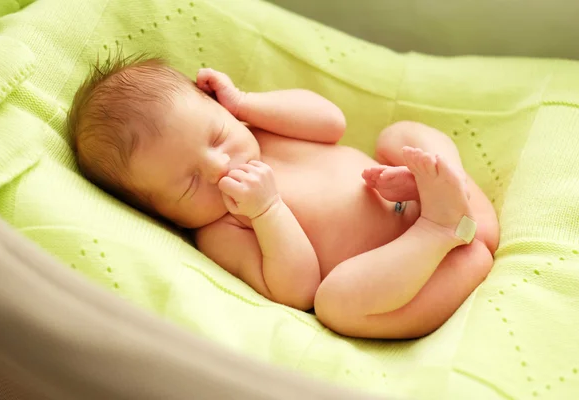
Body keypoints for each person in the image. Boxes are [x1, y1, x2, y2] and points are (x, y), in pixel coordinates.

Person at [68, 55, 499, 339]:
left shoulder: (257, 129)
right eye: (189, 183)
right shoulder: (224, 228)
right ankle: (443, 229)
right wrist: (267, 211)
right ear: (164, 215)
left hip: (414, 191)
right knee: (336, 306)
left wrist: (248, 105)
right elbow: (298, 291)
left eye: (216, 135)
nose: (219, 166)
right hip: (406, 267)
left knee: (401, 135)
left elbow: (332, 122)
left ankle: (449, 189)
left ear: (221, 109)